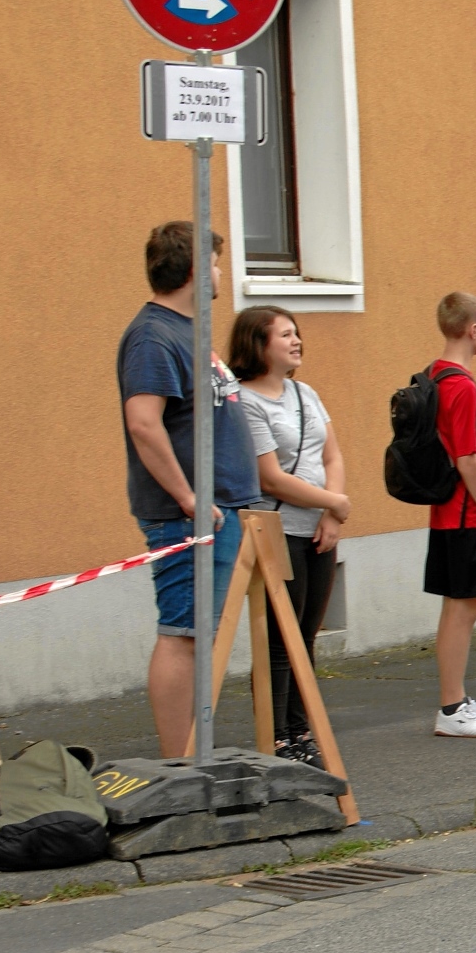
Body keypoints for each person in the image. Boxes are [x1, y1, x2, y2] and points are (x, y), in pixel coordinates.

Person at [118, 221, 263, 758]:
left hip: (220, 510)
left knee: (201, 635)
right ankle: (180, 762)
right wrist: (189, 497)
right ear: (197, 269)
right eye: (217, 263)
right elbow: (144, 423)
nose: (222, 273)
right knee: (183, 634)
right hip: (191, 516)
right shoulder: (153, 336)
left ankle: (194, 753)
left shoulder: (186, 331)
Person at [230, 306, 351, 764]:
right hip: (278, 532)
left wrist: (332, 512)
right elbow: (270, 478)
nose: (296, 340)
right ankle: (277, 738)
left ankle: (302, 731)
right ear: (258, 345)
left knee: (306, 637)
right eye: (285, 334)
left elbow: (332, 456)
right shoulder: (245, 402)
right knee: (280, 642)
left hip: (320, 531)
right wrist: (333, 501)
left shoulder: (306, 393)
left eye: (295, 332)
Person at [418, 292, 476, 738]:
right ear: (472, 329)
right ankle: (452, 707)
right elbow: (468, 458)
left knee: (457, 606)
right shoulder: (462, 386)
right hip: (466, 514)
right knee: (464, 607)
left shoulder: (434, 374)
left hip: (448, 512)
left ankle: (455, 699)